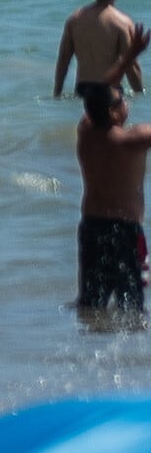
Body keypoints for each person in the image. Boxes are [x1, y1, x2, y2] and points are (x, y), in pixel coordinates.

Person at [87, 81, 151, 328]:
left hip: (92, 228)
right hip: (124, 231)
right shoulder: (132, 140)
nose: (127, 103)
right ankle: (129, 359)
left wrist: (125, 59)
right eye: (122, 100)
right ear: (113, 111)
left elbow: (95, 95)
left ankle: (88, 352)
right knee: (133, 308)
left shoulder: (87, 135)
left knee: (92, 303)